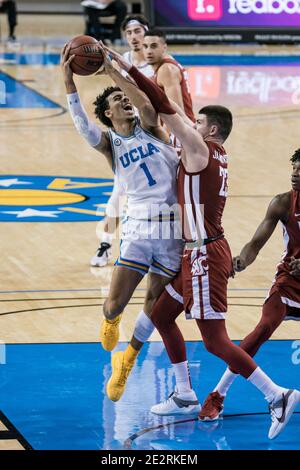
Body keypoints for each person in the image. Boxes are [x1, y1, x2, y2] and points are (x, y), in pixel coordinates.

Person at [106, 51, 300, 439]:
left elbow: (163, 105)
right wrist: (121, 75)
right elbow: (156, 107)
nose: (189, 124)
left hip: (204, 255)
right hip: (196, 252)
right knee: (162, 314)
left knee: (214, 341)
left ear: (210, 130)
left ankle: (276, 395)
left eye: (197, 122)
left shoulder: (199, 151)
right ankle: (183, 394)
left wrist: (125, 67)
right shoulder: (210, 152)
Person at [61, 43, 183, 402]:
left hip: (172, 229)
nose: (123, 100)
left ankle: (127, 360)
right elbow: (83, 128)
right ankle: (111, 320)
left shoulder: (151, 127)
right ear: (108, 112)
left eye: (123, 97)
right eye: (116, 99)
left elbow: (146, 103)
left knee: (154, 306)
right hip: (140, 229)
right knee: (115, 304)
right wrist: (68, 81)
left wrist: (114, 71)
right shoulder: (110, 143)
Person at [199, 149, 300, 421]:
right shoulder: (282, 203)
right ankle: (217, 396)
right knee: (262, 329)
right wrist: (240, 261)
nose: (295, 174)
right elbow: (255, 244)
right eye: (293, 168)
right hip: (290, 282)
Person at [91, 14, 153, 268]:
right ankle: (105, 244)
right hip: (128, 137)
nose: (134, 37)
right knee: (118, 192)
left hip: (152, 137)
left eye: (138, 31)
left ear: (147, 34)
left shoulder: (159, 65)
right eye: (129, 33)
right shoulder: (124, 62)